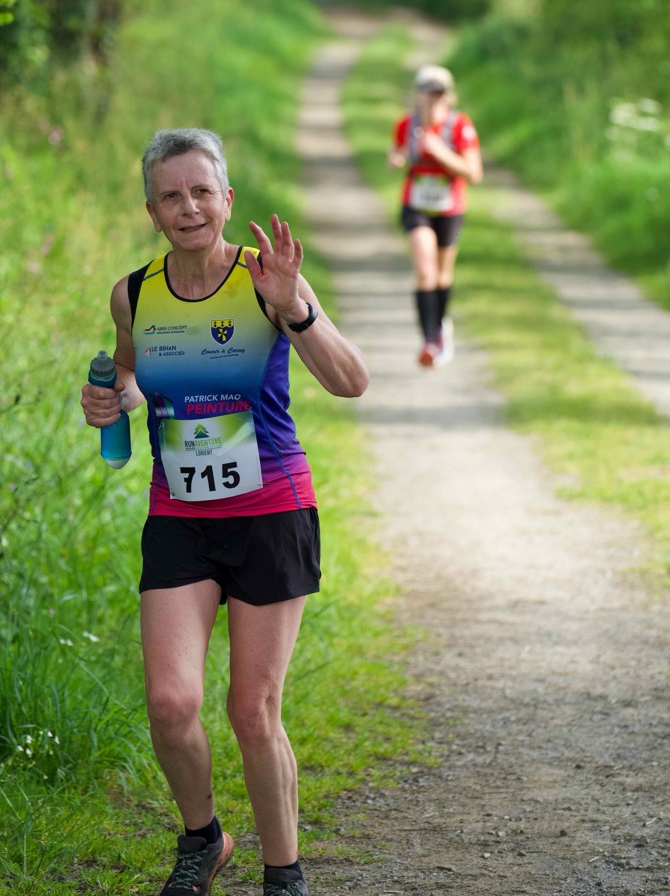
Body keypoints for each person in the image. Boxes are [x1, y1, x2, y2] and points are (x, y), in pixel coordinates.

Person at [80, 128, 368, 896]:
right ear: (151, 210)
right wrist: (110, 398)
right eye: (170, 196)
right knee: (170, 703)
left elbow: (350, 381)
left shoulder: (266, 279)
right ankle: (203, 839)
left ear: (226, 199)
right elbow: (132, 377)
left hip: (271, 511)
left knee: (251, 709)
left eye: (201, 192)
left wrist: (294, 308)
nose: (188, 208)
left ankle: (283, 873)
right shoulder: (133, 293)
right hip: (179, 515)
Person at [387, 64, 483, 369]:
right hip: (416, 206)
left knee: (442, 276)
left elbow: (474, 173)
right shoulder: (406, 126)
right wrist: (396, 158)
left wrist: (440, 152)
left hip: (450, 209)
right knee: (425, 272)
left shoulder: (460, 127)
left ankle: (441, 329)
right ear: (418, 95)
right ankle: (428, 341)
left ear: (449, 96)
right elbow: (398, 152)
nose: (435, 100)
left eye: (440, 93)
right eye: (429, 93)